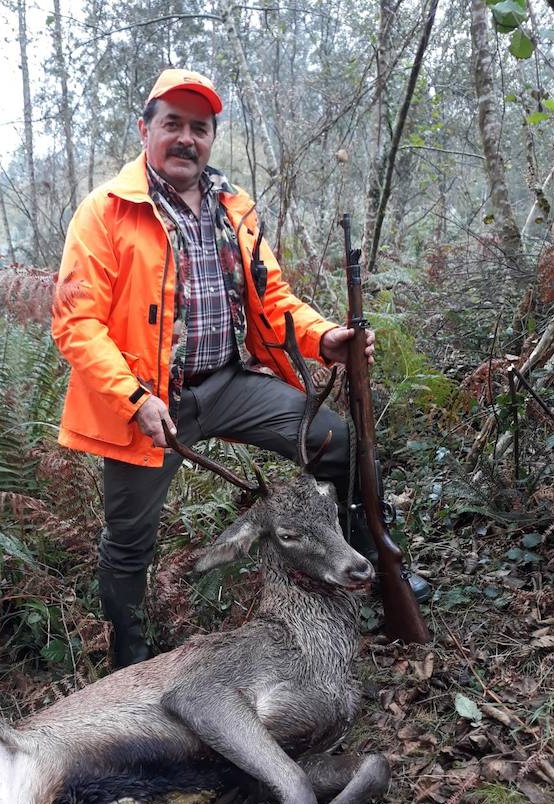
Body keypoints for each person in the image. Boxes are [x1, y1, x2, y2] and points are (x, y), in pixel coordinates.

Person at [53, 68, 384, 668]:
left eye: (198, 128)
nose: (186, 138)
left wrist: (324, 338)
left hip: (231, 384)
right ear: (145, 130)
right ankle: (128, 655)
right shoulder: (104, 213)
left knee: (338, 444)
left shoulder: (233, 207)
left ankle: (363, 571)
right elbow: (77, 323)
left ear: (211, 137)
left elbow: (273, 298)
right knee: (129, 541)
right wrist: (134, 399)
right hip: (151, 401)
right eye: (172, 124)